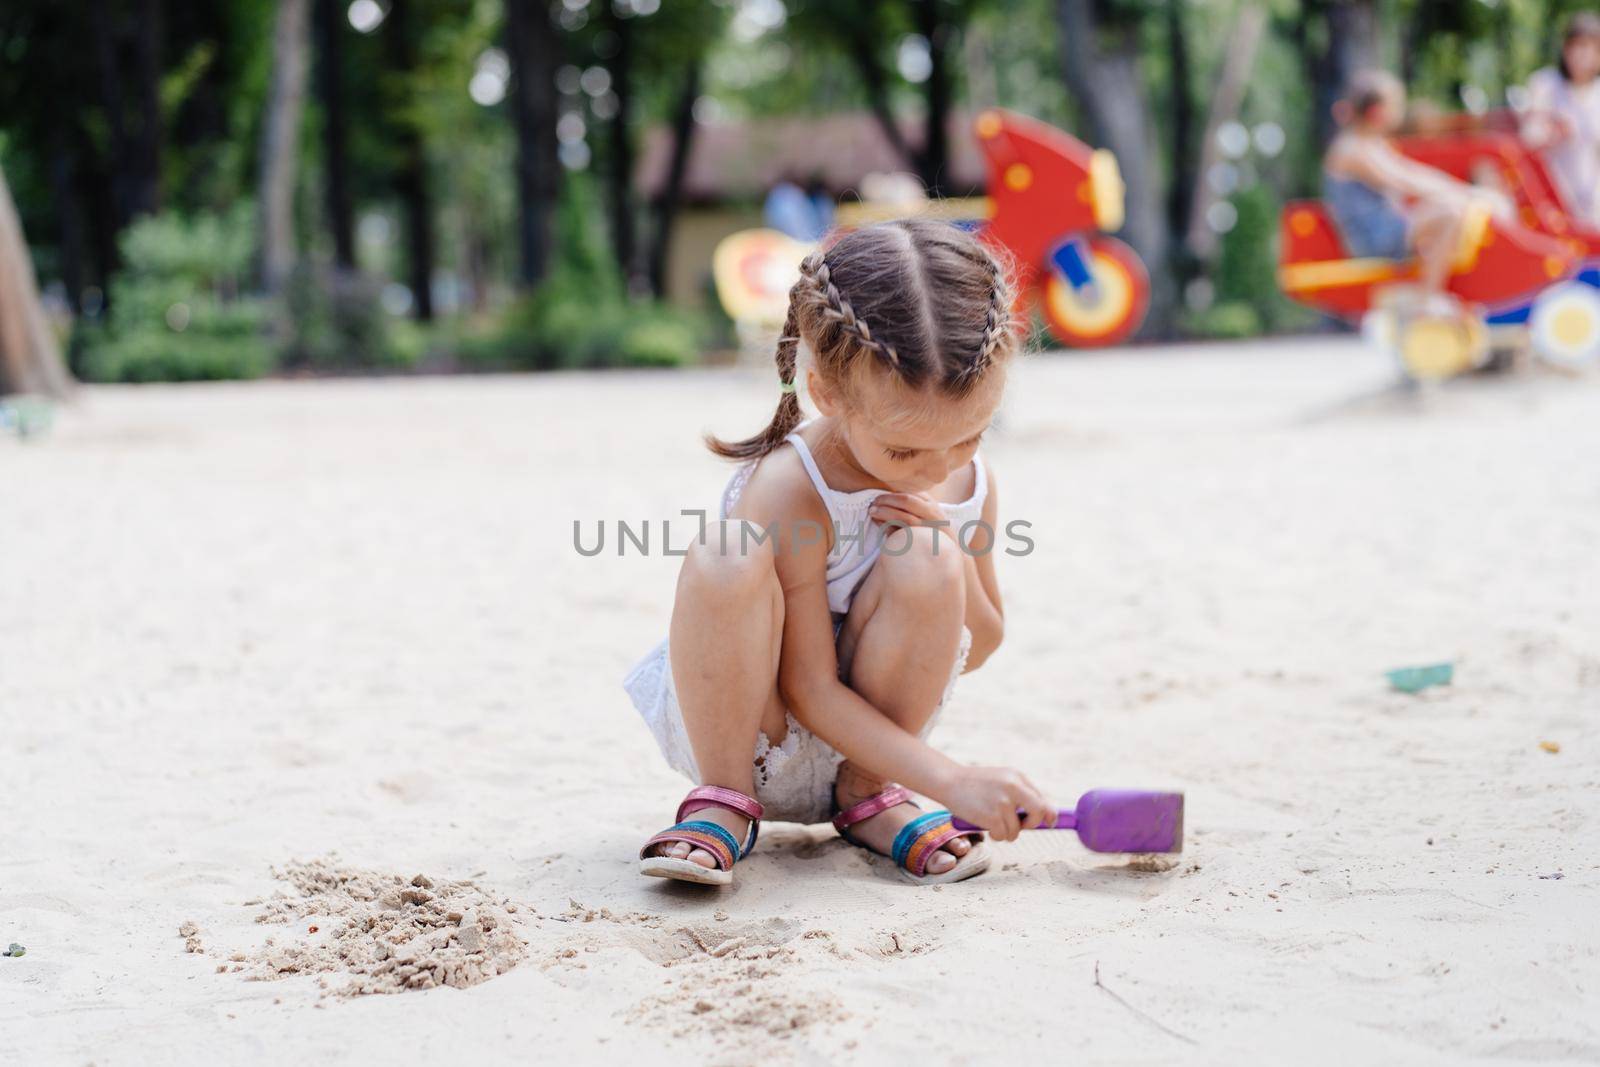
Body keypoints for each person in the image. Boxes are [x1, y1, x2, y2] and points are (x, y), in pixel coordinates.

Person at [625, 220, 1055, 887]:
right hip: (754, 731)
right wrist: (952, 780)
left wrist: (951, 546)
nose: (934, 467)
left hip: (882, 750)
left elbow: (988, 639)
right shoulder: (793, 488)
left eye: (970, 434)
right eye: (905, 449)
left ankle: (868, 795)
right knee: (727, 548)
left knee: (928, 554)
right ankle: (722, 803)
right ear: (826, 393)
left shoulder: (969, 481)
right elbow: (808, 688)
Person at [1323, 70, 1506, 305]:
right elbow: (1403, 181)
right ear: (1376, 112)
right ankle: (1428, 301)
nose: (1400, 110)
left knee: (1451, 207)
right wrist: (1462, 193)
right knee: (1449, 214)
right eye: (1395, 104)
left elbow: (1414, 173)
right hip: (1374, 239)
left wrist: (1464, 192)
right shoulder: (1352, 150)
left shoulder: (1372, 144)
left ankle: (1446, 293)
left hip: (1390, 229)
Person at [1522, 13, 1600, 225]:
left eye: (1586, 47)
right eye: (1573, 46)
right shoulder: (1544, 84)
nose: (1578, 54)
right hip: (1546, 202)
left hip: (1590, 205)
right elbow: (1528, 138)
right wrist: (1552, 133)